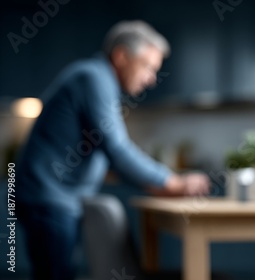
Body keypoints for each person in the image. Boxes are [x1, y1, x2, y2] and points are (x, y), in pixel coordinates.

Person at [16, 20, 210, 280]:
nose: (152, 79)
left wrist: (163, 182)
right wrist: (174, 182)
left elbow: (110, 151)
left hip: (51, 196)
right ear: (121, 56)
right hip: (48, 197)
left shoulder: (96, 80)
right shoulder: (94, 78)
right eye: (147, 67)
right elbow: (117, 150)